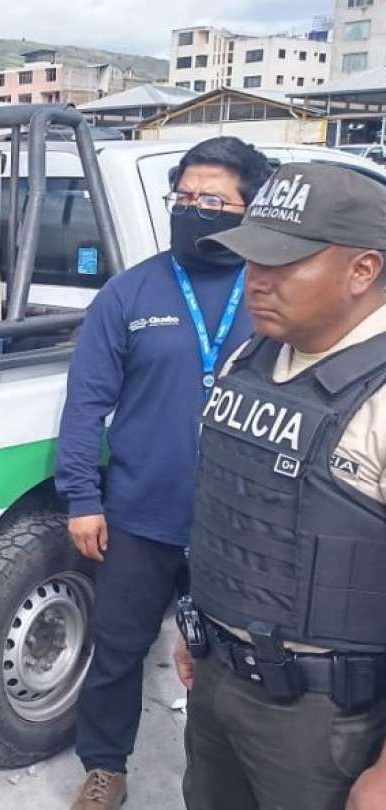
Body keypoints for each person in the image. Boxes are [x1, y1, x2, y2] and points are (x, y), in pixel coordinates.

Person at [55, 136, 273, 810]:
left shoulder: (273, 290)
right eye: (185, 198)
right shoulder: (131, 292)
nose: (196, 210)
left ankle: (234, 780)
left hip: (243, 525)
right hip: (140, 516)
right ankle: (105, 769)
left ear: (249, 208)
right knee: (118, 651)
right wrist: (82, 498)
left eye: (215, 200)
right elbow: (87, 400)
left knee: (239, 667)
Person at [173, 161, 386, 810]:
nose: (254, 279)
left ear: (363, 271)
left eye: (281, 263)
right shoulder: (252, 357)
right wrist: (197, 622)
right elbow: (228, 508)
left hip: (321, 718)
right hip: (217, 680)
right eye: (249, 258)